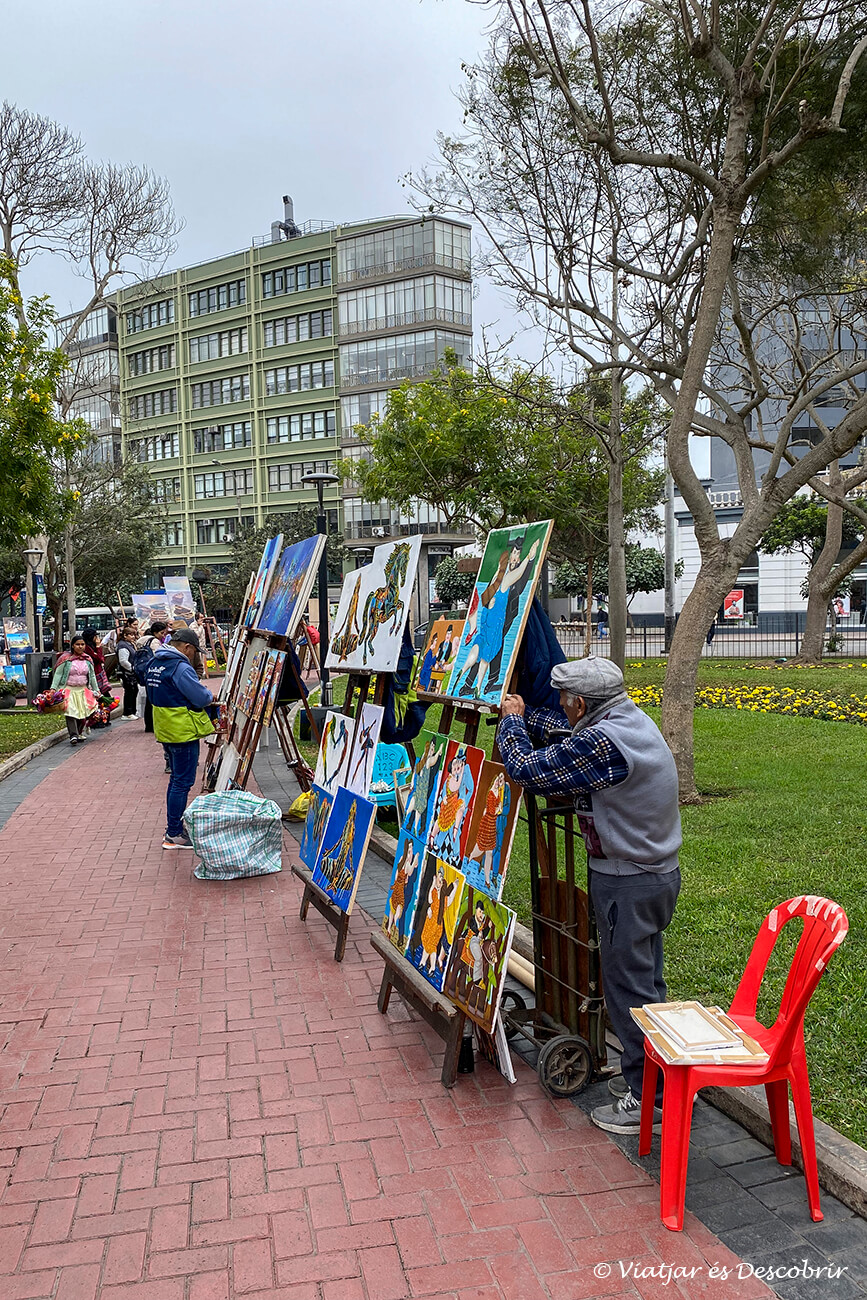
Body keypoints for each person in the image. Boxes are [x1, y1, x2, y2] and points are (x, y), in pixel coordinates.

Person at [496, 656, 682, 1136]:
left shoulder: (605, 744)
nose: (559, 705)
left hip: (629, 881)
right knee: (647, 986)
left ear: (581, 703)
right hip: (651, 876)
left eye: (564, 699)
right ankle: (663, 1087)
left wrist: (513, 724)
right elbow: (562, 731)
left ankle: (651, 1104)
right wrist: (524, 711)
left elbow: (527, 770)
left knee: (630, 993)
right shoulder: (626, 720)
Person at [145, 629, 216, 849]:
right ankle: (174, 832)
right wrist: (209, 695)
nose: (194, 656)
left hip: (166, 727)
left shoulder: (154, 663)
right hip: (182, 728)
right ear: (186, 647)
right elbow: (201, 697)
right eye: (195, 651)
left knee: (176, 779)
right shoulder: (180, 667)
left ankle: (173, 828)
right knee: (182, 782)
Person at [51, 633, 99, 745]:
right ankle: (73, 735)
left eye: (82, 644)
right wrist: (53, 688)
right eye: (77, 644)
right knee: (71, 712)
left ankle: (79, 732)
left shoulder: (88, 659)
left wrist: (96, 690)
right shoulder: (66, 659)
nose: (80, 647)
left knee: (83, 712)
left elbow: (92, 676)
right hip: (69, 689)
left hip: (83, 690)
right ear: (72, 645)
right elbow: (58, 674)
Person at [80, 629, 114, 726]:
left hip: (99, 674)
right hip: (93, 676)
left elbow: (101, 659)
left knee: (104, 697)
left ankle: (104, 719)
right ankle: (97, 720)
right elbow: (98, 658)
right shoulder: (87, 649)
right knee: (98, 698)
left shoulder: (92, 648)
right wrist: (99, 647)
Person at [115, 621, 140, 719]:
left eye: (134, 635)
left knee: (134, 691)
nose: (133, 637)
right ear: (125, 636)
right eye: (131, 635)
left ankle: (132, 712)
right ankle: (127, 713)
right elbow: (123, 661)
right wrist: (132, 668)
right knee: (130, 692)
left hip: (131, 673)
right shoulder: (123, 646)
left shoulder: (129, 644)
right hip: (127, 673)